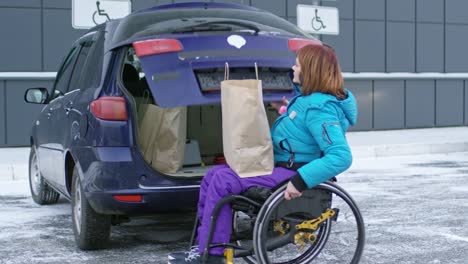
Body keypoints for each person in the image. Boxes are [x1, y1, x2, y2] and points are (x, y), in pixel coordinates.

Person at [168, 43, 358, 264]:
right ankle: (202, 247)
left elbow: (340, 156)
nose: (293, 68)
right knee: (213, 175)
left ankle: (212, 256)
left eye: (297, 64)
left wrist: (300, 181)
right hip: (281, 167)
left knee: (223, 180)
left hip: (293, 173)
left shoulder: (319, 108)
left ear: (310, 70)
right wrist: (284, 110)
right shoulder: (307, 102)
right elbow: (304, 130)